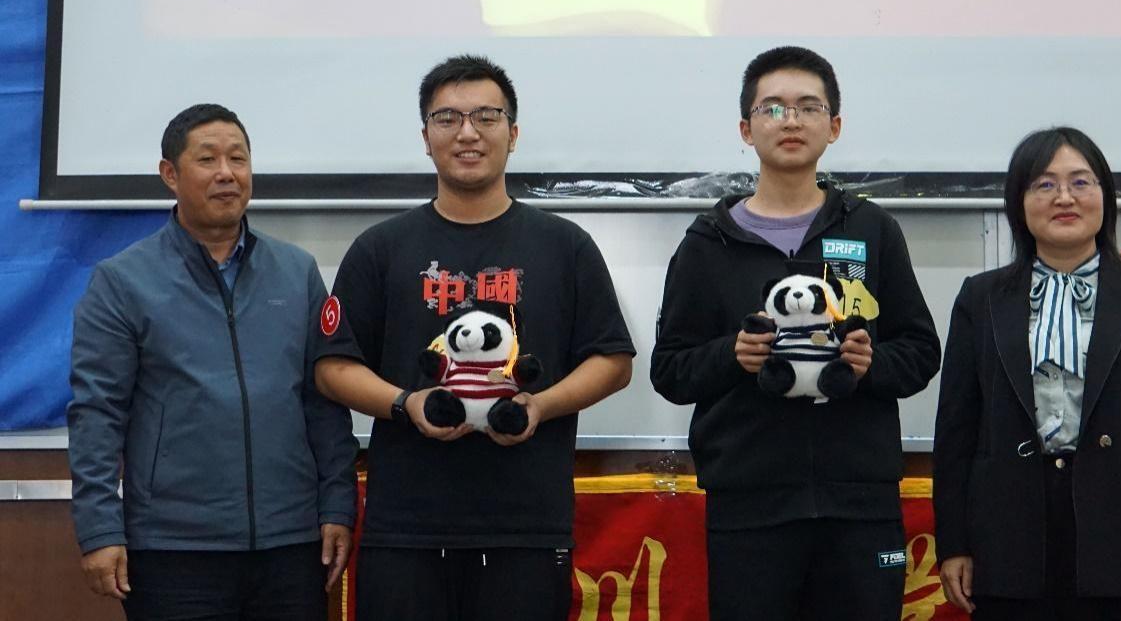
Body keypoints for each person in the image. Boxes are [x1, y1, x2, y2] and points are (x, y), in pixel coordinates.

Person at [314, 55, 635, 621]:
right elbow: (332, 367)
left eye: (486, 116)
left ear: (513, 134)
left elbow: (612, 361)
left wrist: (539, 405)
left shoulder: (565, 246)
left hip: (526, 527)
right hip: (405, 528)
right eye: (448, 118)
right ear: (425, 137)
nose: (467, 133)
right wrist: (406, 403)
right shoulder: (380, 248)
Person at [650, 45, 941, 620]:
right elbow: (670, 370)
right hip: (749, 505)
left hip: (860, 505)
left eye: (809, 107)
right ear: (746, 128)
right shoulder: (708, 243)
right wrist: (732, 355)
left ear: (834, 127)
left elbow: (920, 351)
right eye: (773, 108)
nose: (791, 120)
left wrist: (871, 364)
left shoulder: (872, 229)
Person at [68, 103, 358, 620]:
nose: (227, 173)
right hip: (173, 549)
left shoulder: (297, 272)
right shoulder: (123, 280)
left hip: (292, 544)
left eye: (238, 158)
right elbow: (97, 414)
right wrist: (99, 529)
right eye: (208, 159)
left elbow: (324, 402)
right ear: (170, 174)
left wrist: (337, 503)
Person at [933, 126, 1121, 620]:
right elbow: (956, 431)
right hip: (1007, 538)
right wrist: (953, 543)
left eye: (1081, 182)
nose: (1064, 197)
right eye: (1044, 184)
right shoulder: (980, 297)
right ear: (1019, 202)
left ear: (1105, 196)